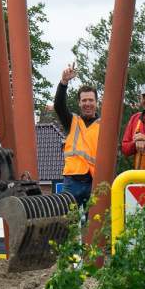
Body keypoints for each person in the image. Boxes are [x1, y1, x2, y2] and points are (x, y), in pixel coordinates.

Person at [53, 65, 99, 207]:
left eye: (91, 100)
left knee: (94, 224)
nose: (87, 103)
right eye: (84, 100)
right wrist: (64, 83)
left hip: (94, 182)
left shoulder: (104, 126)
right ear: (79, 103)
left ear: (96, 102)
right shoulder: (72, 121)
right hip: (72, 182)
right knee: (67, 222)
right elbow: (59, 106)